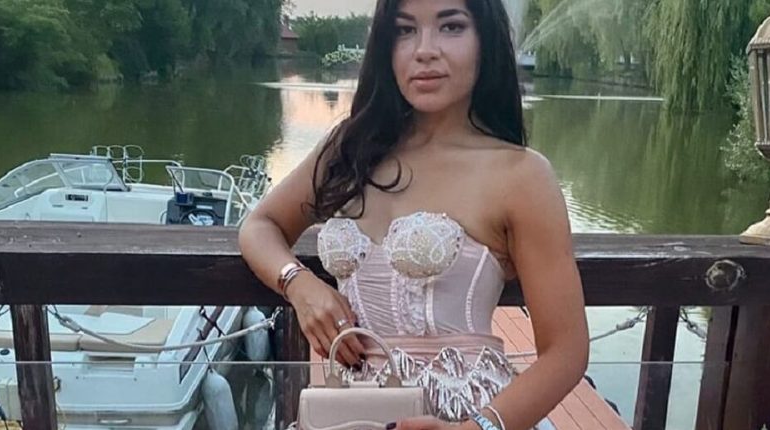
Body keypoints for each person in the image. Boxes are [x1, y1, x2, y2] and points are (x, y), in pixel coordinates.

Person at [239, 0, 588, 428]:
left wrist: (475, 428)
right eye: (405, 30)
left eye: (451, 27)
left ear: (486, 40)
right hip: (352, 414)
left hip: (466, 414)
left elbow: (567, 351)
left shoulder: (521, 175)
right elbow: (261, 225)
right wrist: (299, 284)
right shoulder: (350, 149)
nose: (424, 50)